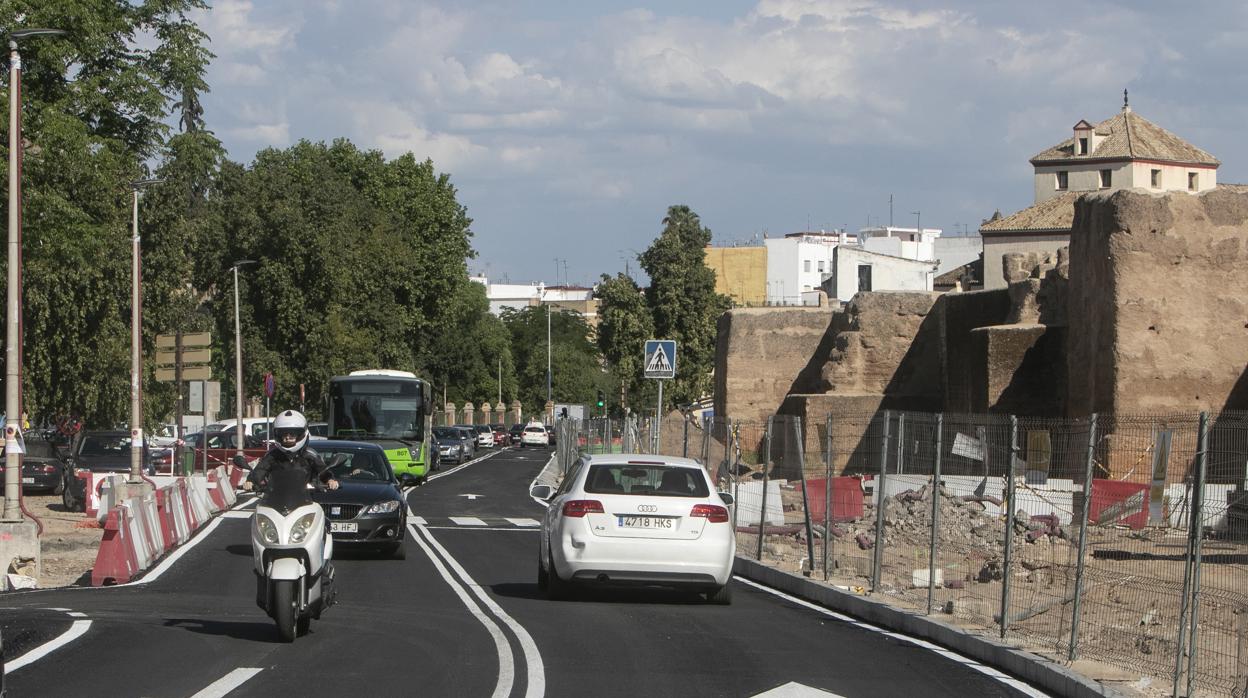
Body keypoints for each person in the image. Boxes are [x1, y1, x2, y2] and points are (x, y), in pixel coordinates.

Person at [243, 410, 340, 493]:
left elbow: (322, 470)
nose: (287, 437)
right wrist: (251, 481)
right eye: (283, 433)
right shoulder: (272, 456)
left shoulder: (310, 455)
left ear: (302, 434)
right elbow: (261, 470)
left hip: (306, 500)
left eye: (293, 434)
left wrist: (330, 480)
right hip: (275, 500)